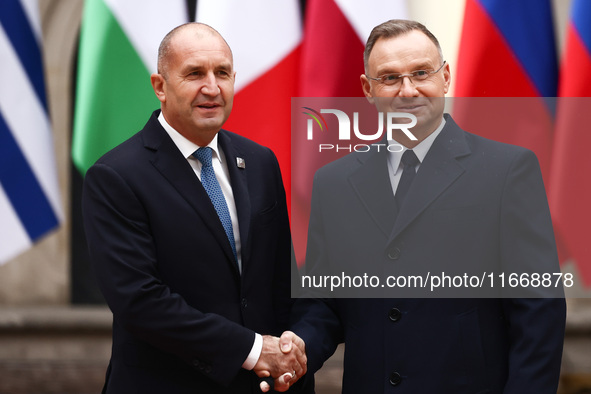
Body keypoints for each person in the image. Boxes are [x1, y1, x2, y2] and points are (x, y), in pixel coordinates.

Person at [291, 19, 566, 393]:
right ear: (367, 89)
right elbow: (324, 302)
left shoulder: (506, 170)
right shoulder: (334, 182)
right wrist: (298, 347)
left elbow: (538, 313)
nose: (408, 90)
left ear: (446, 77)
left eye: (421, 73)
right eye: (389, 78)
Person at [82, 22, 307, 393]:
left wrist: (289, 351)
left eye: (222, 73)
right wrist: (253, 350)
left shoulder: (260, 161)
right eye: (194, 74)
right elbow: (141, 302)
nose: (212, 88)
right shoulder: (115, 176)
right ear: (160, 86)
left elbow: (281, 280)